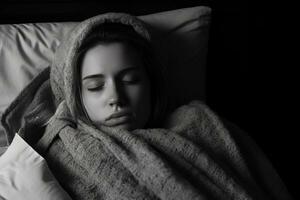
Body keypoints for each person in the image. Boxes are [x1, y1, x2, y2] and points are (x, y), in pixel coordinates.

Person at [0, 13, 293, 200]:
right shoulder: (57, 153)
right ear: (75, 94)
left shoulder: (201, 129)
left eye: (131, 80)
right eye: (95, 86)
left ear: (152, 82)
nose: (116, 97)